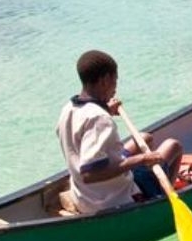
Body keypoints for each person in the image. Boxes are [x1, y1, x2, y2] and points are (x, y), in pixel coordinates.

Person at [56, 50, 183, 214]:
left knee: (145, 138)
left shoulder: (68, 109)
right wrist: (142, 159)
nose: (115, 90)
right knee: (173, 146)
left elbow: (85, 129)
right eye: (115, 82)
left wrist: (106, 109)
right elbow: (90, 174)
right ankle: (163, 199)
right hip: (114, 198)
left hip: (84, 195)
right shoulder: (99, 118)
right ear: (104, 80)